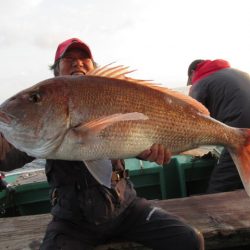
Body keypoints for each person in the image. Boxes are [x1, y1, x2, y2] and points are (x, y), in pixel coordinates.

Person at [0, 38, 204, 250]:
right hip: (72, 220)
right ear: (57, 71)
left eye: (84, 59)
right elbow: (8, 155)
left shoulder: (114, 92)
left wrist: (151, 152)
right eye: (68, 59)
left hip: (126, 207)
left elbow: (137, 135)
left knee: (190, 240)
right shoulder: (39, 128)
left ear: (92, 67)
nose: (77, 63)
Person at [187, 59, 250, 194]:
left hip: (243, 133)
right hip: (243, 127)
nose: (192, 83)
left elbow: (189, 118)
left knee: (221, 184)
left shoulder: (200, 83)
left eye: (190, 80)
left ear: (193, 72)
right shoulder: (238, 73)